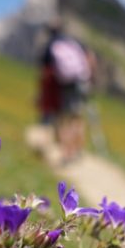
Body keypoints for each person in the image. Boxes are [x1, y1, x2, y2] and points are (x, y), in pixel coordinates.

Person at [39, 21, 92, 162]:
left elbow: (45, 70)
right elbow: (88, 57)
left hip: (64, 86)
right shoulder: (72, 42)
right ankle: (78, 149)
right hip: (80, 81)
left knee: (64, 119)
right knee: (77, 117)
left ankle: (67, 153)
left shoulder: (51, 45)